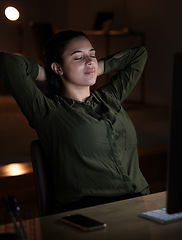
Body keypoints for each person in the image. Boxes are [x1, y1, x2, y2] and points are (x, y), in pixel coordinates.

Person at [0, 30, 149, 213]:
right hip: (91, 211)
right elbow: (8, 62)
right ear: (58, 67)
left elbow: (138, 55)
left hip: (140, 202)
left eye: (92, 54)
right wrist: (50, 73)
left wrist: (94, 67)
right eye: (78, 57)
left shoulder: (110, 97)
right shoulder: (48, 112)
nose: (90, 60)